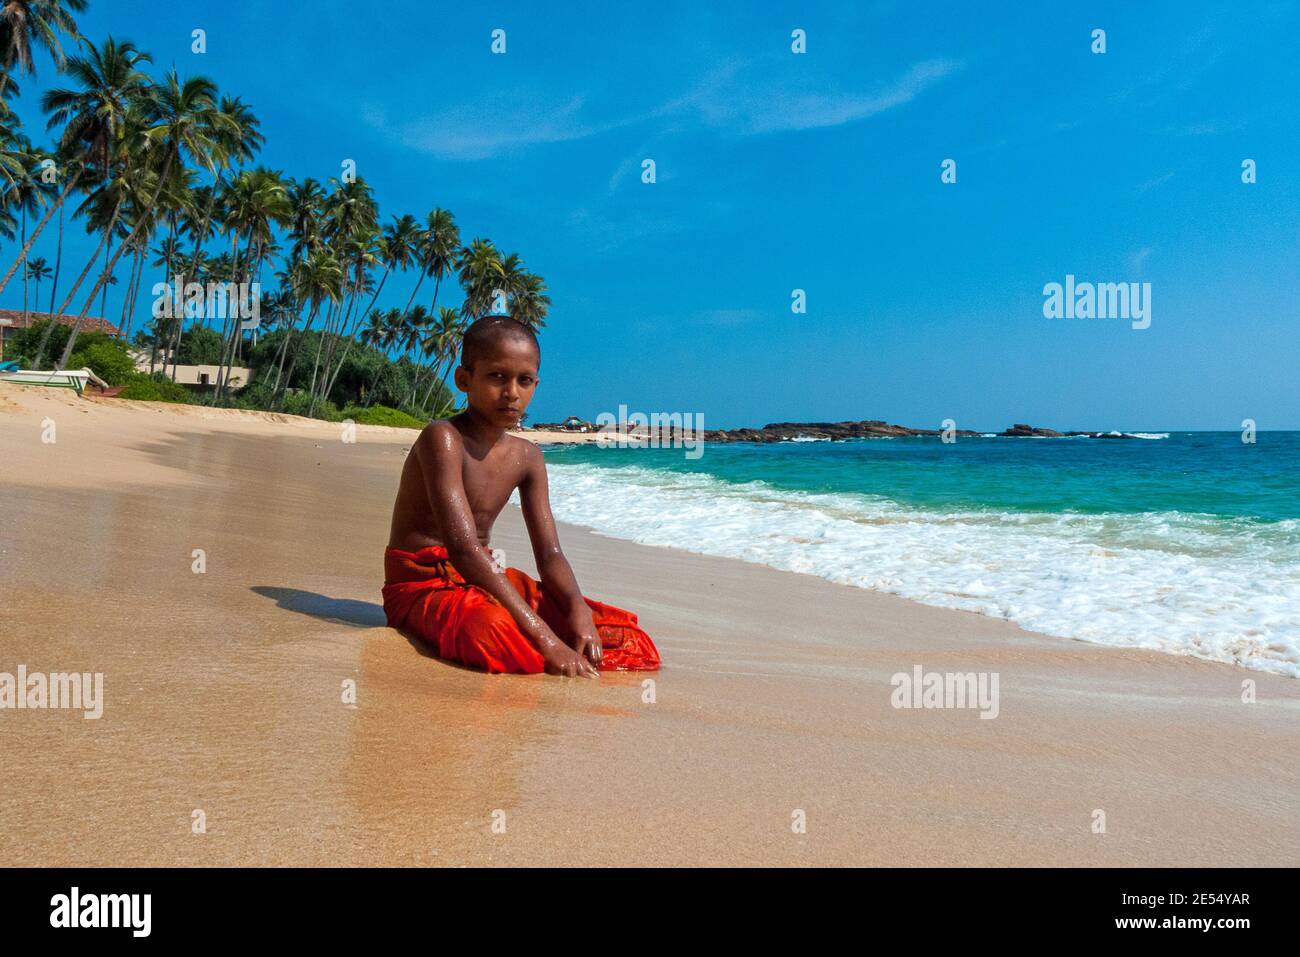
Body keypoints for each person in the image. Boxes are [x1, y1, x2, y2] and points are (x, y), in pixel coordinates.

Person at [382, 316, 661, 677]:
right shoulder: (444, 438)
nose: (512, 392)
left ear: (535, 384)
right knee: (497, 634)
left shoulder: (527, 457)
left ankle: (546, 635)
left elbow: (550, 553)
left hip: (484, 579)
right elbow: (464, 548)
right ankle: (528, 640)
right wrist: (546, 637)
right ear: (464, 380)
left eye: (524, 380)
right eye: (497, 376)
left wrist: (577, 610)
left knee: (625, 637)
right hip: (423, 586)